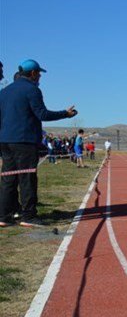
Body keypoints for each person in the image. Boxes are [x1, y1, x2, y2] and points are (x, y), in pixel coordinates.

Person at [0, 59, 77, 228]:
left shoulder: (4, 92)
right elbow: (42, 114)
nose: (40, 76)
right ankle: (28, 216)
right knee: (27, 177)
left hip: (5, 141)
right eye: (39, 73)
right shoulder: (32, 90)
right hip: (24, 140)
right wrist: (66, 114)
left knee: (8, 179)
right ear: (33, 73)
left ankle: (4, 216)